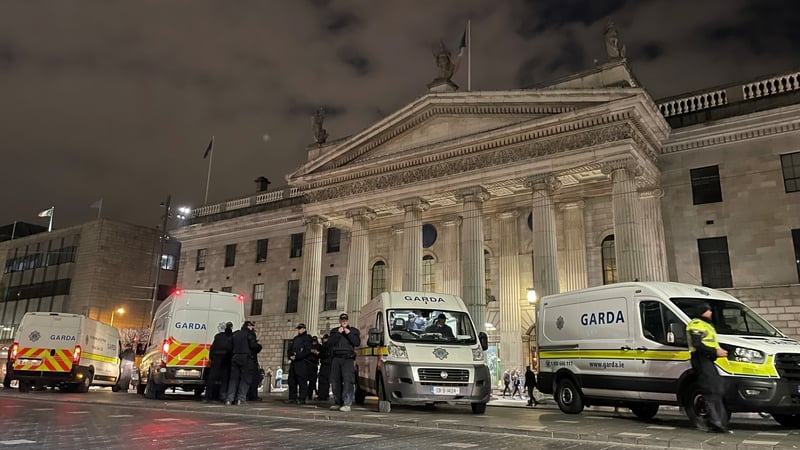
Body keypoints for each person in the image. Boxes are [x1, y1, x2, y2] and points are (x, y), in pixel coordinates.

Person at [686, 302, 731, 433]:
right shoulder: (695, 324)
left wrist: (720, 351)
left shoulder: (707, 325)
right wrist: (715, 352)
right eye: (707, 310)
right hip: (701, 359)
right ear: (701, 311)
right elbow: (697, 345)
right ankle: (714, 422)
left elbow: (711, 343)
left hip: (708, 360)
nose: (710, 312)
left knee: (717, 389)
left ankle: (719, 423)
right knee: (711, 390)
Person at [328, 313, 361, 412]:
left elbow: (356, 342)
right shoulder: (334, 331)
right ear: (339, 321)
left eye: (345, 320)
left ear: (348, 321)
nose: (344, 322)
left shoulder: (354, 331)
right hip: (336, 358)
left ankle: (347, 403)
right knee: (335, 381)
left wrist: (348, 333)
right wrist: (338, 333)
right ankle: (338, 402)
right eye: (342, 320)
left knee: (348, 381)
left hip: (348, 359)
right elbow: (329, 343)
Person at [225, 321, 262, 406]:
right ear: (248, 326)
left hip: (235, 357)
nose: (252, 328)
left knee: (233, 379)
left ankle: (229, 399)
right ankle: (240, 399)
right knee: (245, 379)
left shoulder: (235, 334)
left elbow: (229, 347)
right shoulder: (249, 334)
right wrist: (259, 347)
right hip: (246, 358)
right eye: (252, 326)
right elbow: (253, 346)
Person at [205, 322, 233, 402]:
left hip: (216, 359)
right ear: (231, 327)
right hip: (226, 360)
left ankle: (208, 396)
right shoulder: (232, 336)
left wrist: (211, 358)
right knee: (225, 379)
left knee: (212, 378)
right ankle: (222, 396)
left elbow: (212, 348)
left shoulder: (218, 336)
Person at [286, 323, 313, 404]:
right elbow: (289, 349)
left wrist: (297, 356)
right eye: (298, 328)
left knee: (302, 381)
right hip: (294, 363)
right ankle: (292, 398)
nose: (299, 330)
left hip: (302, 362)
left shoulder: (307, 338)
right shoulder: (295, 338)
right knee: (291, 380)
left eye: (300, 328)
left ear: (304, 329)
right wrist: (290, 356)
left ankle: (302, 398)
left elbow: (307, 351)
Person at [317, 334, 331, 401]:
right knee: (325, 381)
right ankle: (324, 395)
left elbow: (325, 354)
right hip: (327, 364)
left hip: (326, 364)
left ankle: (322, 396)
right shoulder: (327, 345)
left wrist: (318, 353)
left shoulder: (327, 346)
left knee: (323, 381)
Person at [307, 336, 321, 401]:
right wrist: (311, 351)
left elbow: (321, 354)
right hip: (308, 364)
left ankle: (310, 394)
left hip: (314, 364)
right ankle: (308, 394)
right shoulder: (309, 346)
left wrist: (317, 352)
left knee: (313, 381)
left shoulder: (319, 346)